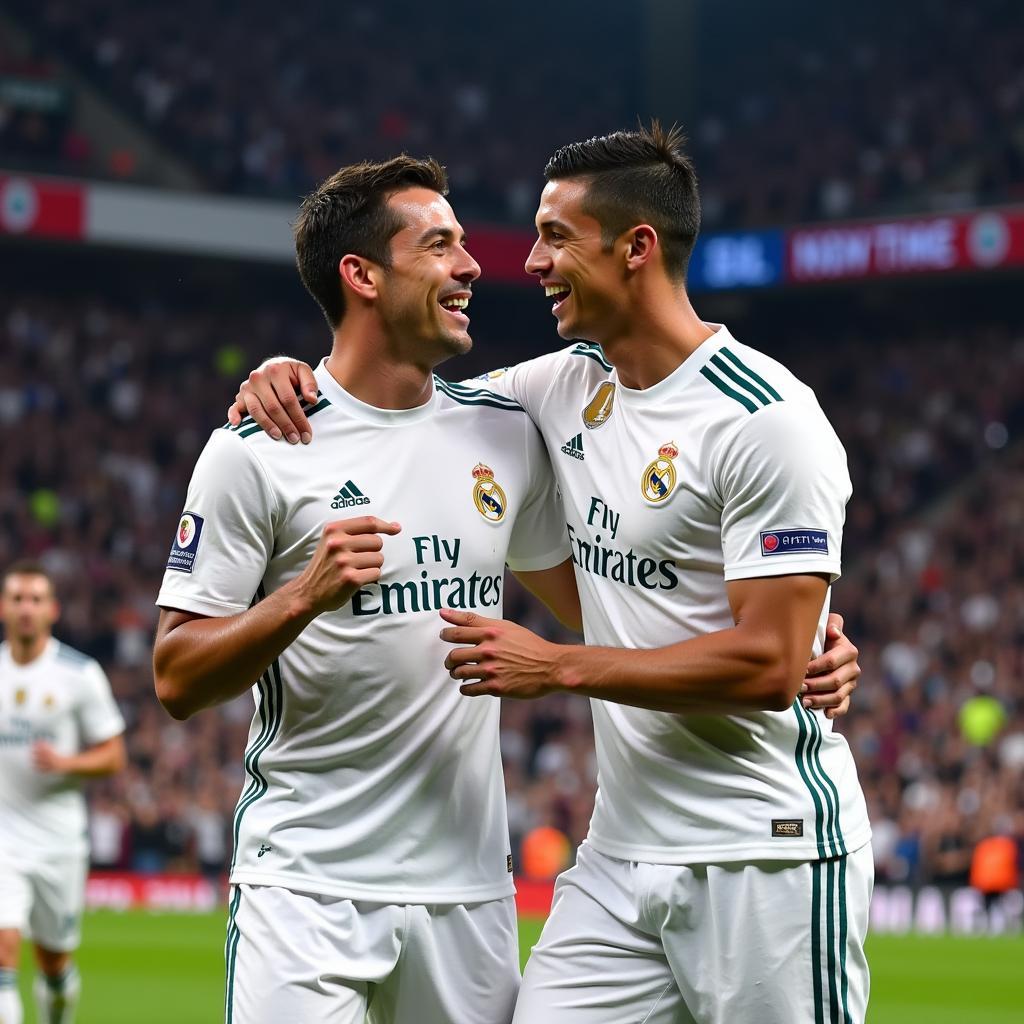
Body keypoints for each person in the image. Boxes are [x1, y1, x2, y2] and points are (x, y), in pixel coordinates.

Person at [232, 125, 871, 1024]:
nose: (529, 261)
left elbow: (770, 668)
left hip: (764, 847)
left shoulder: (766, 421)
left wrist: (559, 665)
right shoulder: (557, 388)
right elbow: (399, 394)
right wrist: (287, 374)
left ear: (636, 247)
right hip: (620, 852)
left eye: (557, 236)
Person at [152, 156, 581, 1024]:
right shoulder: (257, 449)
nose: (470, 267)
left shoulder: (503, 433)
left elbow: (599, 605)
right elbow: (176, 677)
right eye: (440, 246)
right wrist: (301, 596)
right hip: (307, 886)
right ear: (363, 275)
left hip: (467, 893)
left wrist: (798, 642)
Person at [0, 561, 126, 1024]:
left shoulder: (79, 675)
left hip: (58, 839)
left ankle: (57, 1014)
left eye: (35, 599)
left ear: (52, 609)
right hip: (3, 838)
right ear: (3, 608)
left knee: (54, 963)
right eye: (17, 598)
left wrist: (66, 763)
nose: (26, 608)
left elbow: (114, 755)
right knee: (4, 950)